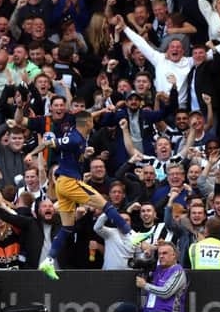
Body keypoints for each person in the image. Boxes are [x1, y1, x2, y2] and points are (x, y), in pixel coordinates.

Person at [26, 111, 152, 279]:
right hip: (70, 182)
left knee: (67, 227)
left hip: (63, 185)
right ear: (87, 123)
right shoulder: (75, 138)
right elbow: (49, 142)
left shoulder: (77, 136)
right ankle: (131, 235)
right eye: (92, 121)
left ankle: (48, 261)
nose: (94, 123)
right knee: (106, 204)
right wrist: (32, 153)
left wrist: (83, 153)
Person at [115, 241, 188, 312]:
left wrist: (145, 285)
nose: (161, 256)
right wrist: (148, 255)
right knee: (123, 308)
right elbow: (142, 264)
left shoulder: (178, 271)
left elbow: (166, 292)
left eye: (165, 253)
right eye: (159, 254)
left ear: (174, 255)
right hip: (149, 311)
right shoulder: (156, 269)